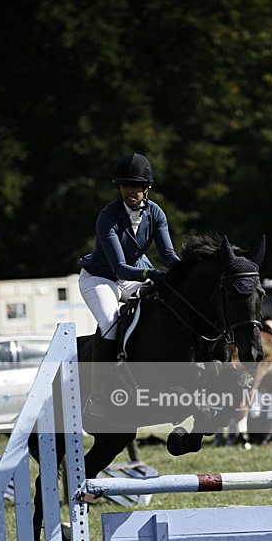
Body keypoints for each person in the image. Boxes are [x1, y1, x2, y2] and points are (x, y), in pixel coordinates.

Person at [79, 152, 181, 414]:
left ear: (146, 188)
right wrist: (150, 275)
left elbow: (169, 256)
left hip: (133, 276)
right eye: (125, 186)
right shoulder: (108, 216)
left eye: (136, 186)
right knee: (111, 323)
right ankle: (99, 394)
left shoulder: (155, 213)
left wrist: (188, 272)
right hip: (101, 278)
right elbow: (119, 267)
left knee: (163, 304)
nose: (130, 192)